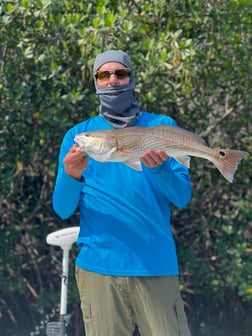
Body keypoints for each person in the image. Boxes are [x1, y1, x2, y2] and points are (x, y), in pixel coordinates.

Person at [53, 49, 192, 336]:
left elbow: (182, 197)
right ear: (95, 82)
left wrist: (160, 169)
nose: (113, 80)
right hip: (98, 269)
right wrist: (71, 175)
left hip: (155, 266)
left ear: (131, 78)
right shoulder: (78, 136)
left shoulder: (162, 127)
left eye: (120, 73)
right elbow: (62, 209)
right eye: (104, 75)